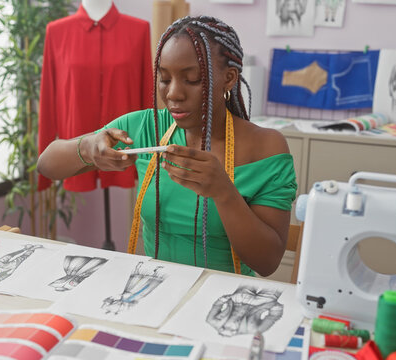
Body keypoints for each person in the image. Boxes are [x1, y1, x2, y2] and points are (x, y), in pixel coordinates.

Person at [37, 15, 297, 277]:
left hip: (225, 301)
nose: (173, 93)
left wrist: (224, 193)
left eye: (192, 79)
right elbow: (47, 164)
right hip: (155, 292)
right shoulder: (146, 127)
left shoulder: (267, 147)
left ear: (229, 79)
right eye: (163, 78)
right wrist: (88, 147)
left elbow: (268, 262)